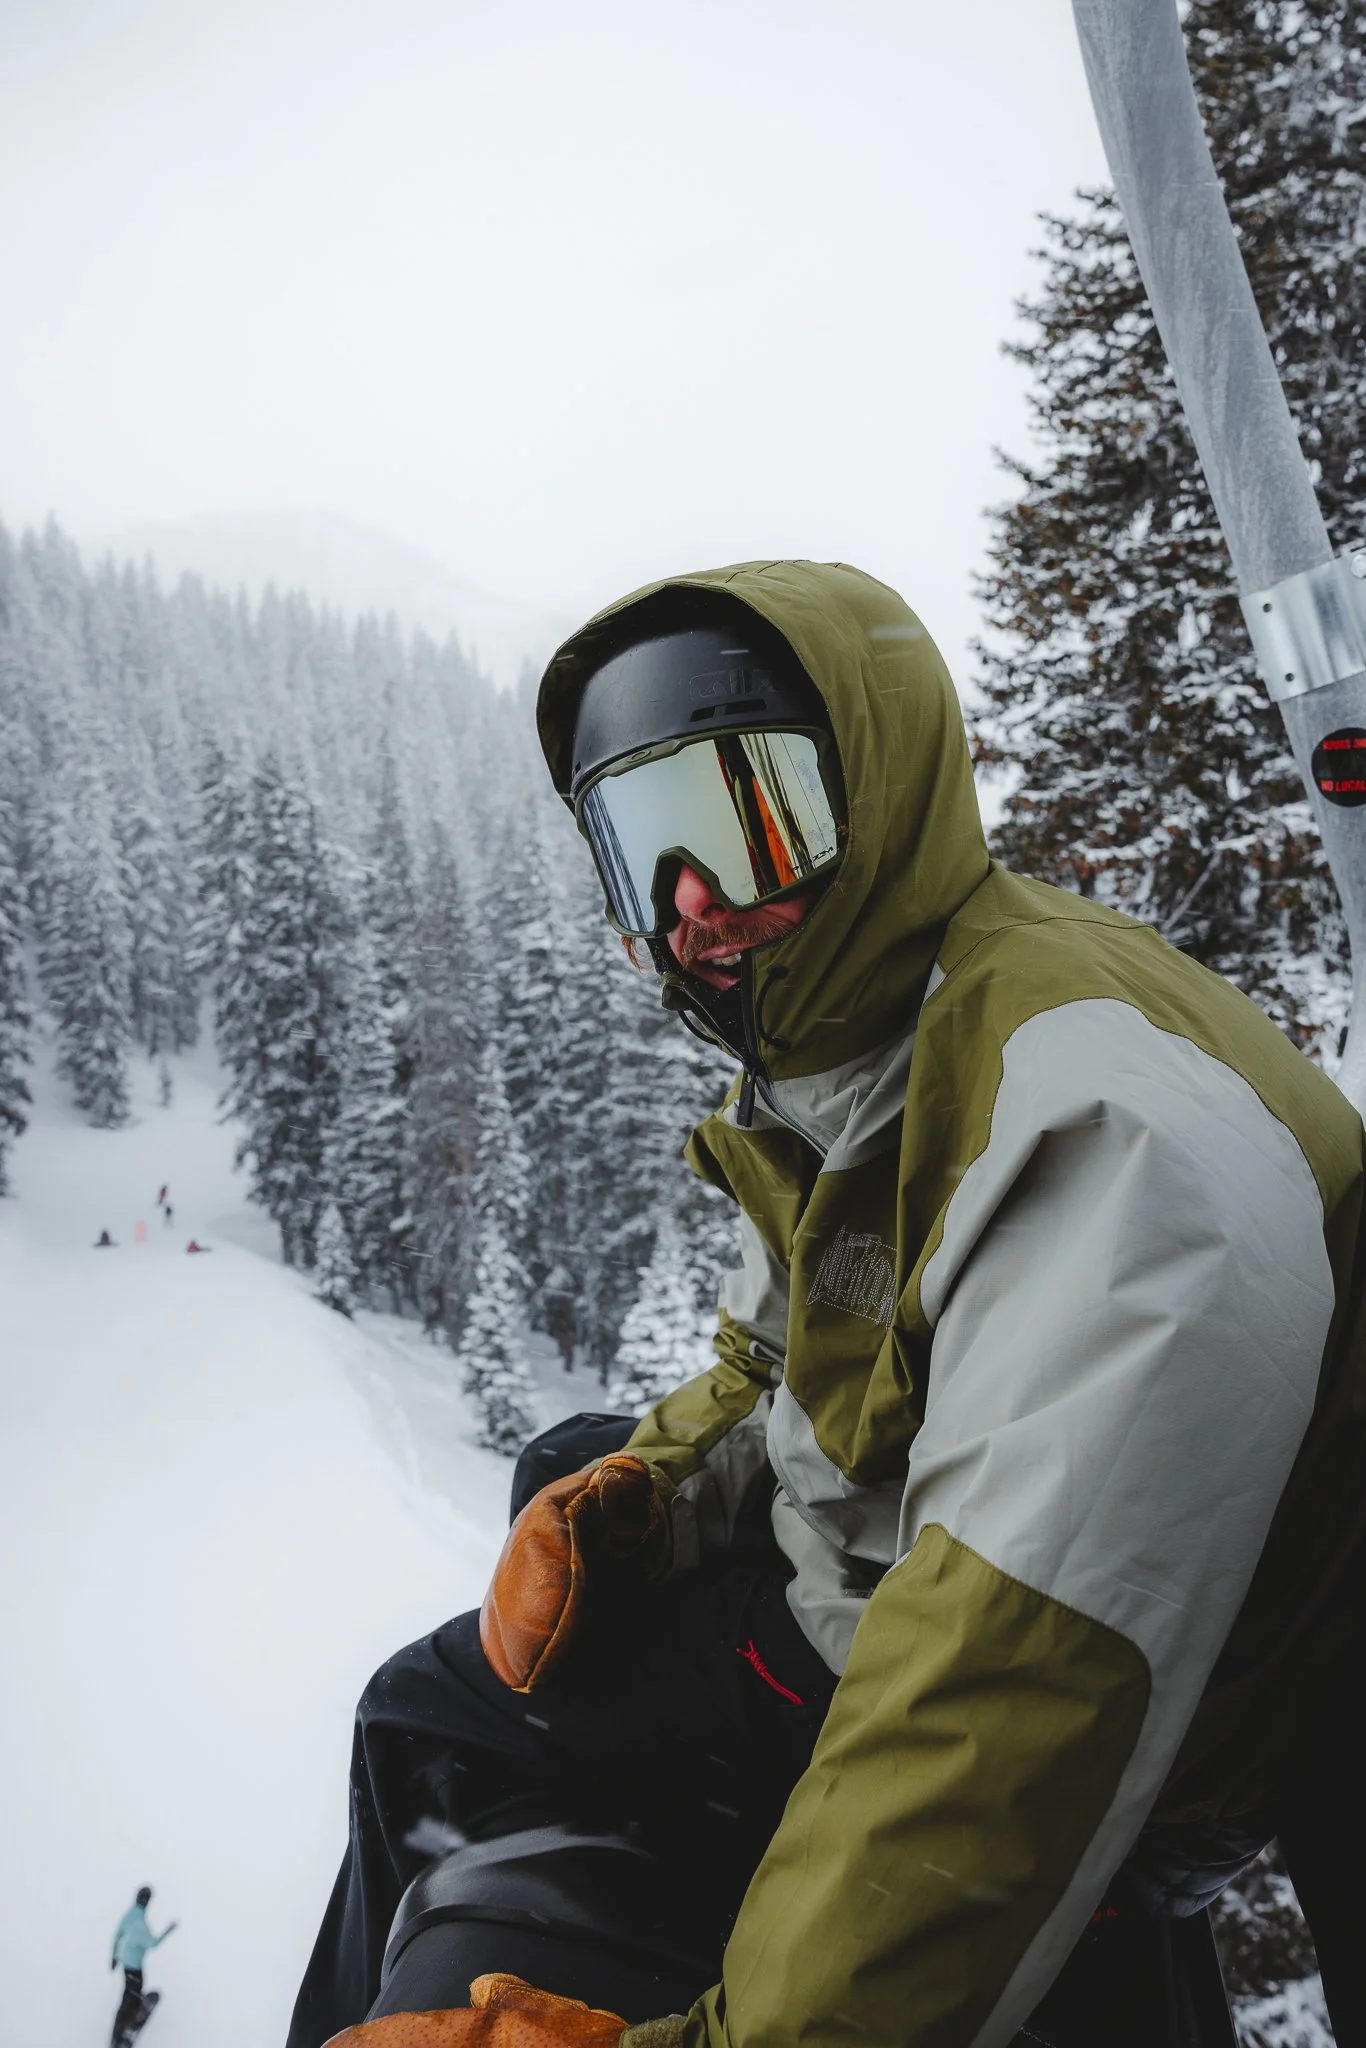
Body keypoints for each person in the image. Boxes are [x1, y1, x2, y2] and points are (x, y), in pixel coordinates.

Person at [290, 563, 1366, 2048]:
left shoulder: (1098, 1141)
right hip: (890, 1591)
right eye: (644, 844)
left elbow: (1000, 1709)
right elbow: (781, 1354)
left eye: (745, 815)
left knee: (423, 1713)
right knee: (553, 1474)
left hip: (1007, 1708)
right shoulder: (885, 1023)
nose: (693, 901)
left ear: (876, 794)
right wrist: (647, 1490)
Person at [110, 1885, 176, 2045]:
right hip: (134, 1967)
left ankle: (118, 2031)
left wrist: (114, 1956)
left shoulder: (130, 1915)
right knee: (131, 1997)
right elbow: (153, 1943)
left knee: (129, 1994)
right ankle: (125, 2030)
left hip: (126, 1963)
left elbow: (118, 1934)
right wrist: (168, 1931)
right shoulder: (141, 1924)